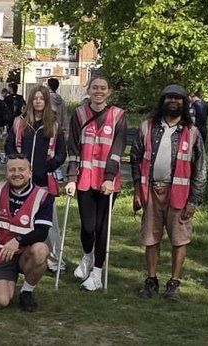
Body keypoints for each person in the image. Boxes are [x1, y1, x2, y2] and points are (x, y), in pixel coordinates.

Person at [130, 84, 208, 301]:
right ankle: (151, 280)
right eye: (169, 98)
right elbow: (135, 157)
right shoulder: (147, 127)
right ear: (162, 101)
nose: (173, 101)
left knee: (179, 240)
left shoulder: (192, 133)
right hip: (151, 191)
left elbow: (200, 168)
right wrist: (137, 188)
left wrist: (194, 199)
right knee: (151, 238)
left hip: (180, 195)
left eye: (178, 98)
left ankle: (174, 283)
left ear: (184, 103)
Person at [64, 76, 127, 291]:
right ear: (88, 90)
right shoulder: (79, 114)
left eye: (103, 88)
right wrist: (71, 178)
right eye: (95, 87)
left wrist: (110, 178)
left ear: (108, 92)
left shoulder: (118, 115)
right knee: (88, 227)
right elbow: (72, 147)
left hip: (108, 181)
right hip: (85, 178)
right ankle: (87, 256)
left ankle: (97, 274)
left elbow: (118, 149)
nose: (98, 91)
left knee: (102, 228)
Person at [0, 155, 54, 312]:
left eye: (21, 169)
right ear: (6, 172)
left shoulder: (43, 197)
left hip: (25, 252)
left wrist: (18, 241)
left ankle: (27, 291)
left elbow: (42, 233)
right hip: (1, 252)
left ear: (30, 173)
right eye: (12, 169)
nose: (16, 173)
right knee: (0, 302)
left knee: (41, 250)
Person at [5, 86, 67, 272]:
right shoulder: (19, 122)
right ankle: (18, 254)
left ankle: (56, 261)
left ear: (47, 102)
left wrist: (47, 167)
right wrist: (15, 165)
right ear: (30, 101)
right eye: (35, 98)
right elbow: (9, 146)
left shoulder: (53, 125)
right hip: (20, 182)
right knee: (18, 219)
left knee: (49, 225)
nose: (38, 101)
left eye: (42, 98)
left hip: (42, 182)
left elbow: (61, 153)